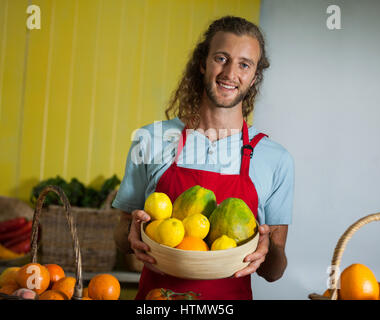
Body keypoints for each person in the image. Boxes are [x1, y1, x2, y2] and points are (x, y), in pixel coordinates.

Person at [112, 16, 294, 300]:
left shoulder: (275, 159)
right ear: (202, 63)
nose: (230, 73)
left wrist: (267, 249)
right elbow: (122, 237)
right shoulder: (151, 139)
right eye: (222, 58)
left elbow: (274, 272)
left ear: (255, 76)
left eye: (244, 64)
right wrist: (131, 233)